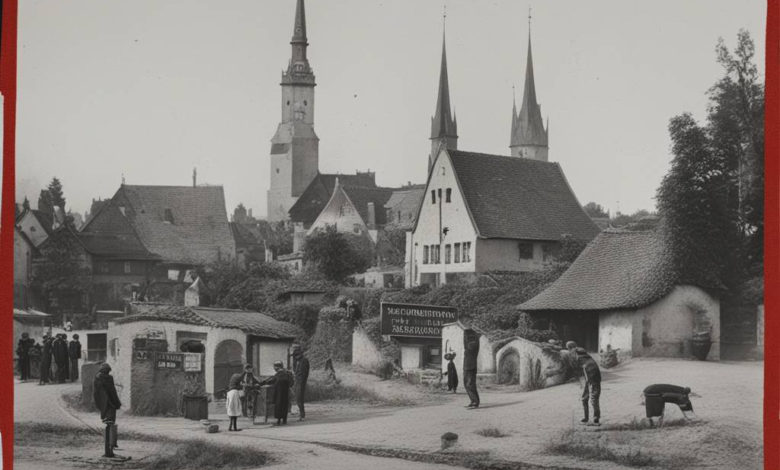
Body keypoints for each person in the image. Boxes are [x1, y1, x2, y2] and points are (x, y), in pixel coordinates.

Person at [566, 341, 602, 425]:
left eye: (568, 348)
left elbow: (577, 368)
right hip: (595, 373)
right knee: (594, 397)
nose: (568, 350)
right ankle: (595, 417)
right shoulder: (582, 352)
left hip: (589, 374)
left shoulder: (575, 353)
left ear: (570, 348)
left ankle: (588, 418)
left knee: (586, 397)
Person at [93, 363, 122, 459]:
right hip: (110, 405)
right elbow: (112, 392)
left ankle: (108, 450)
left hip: (103, 406)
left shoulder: (97, 378)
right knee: (111, 425)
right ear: (107, 370)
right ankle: (110, 449)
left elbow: (96, 394)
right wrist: (117, 403)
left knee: (107, 426)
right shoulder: (109, 379)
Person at [260, 361, 292, 425]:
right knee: (284, 405)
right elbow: (291, 383)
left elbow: (270, 381)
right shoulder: (287, 373)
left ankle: (279, 420)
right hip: (285, 393)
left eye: (275, 367)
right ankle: (284, 420)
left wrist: (260, 383)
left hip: (278, 393)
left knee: (278, 406)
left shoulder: (277, 375)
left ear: (277, 367)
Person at [291, 345, 310, 421]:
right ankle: (301, 414)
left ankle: (302, 414)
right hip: (297, 380)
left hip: (301, 381)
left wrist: (299, 379)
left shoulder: (304, 360)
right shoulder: (297, 361)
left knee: (299, 397)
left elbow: (304, 373)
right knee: (297, 397)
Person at [463, 328, 480, 409]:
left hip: (471, 366)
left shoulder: (472, 344)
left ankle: (475, 402)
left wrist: (467, 337)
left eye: (465, 335)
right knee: (466, 384)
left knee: (470, 384)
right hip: (467, 365)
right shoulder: (470, 343)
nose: (464, 337)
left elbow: (468, 346)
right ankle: (473, 401)